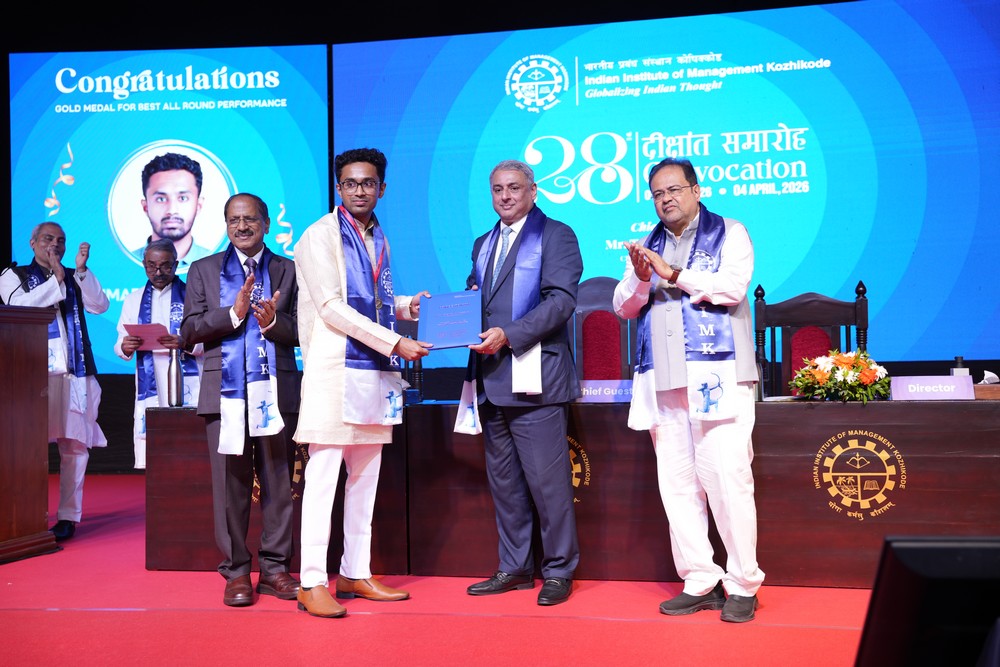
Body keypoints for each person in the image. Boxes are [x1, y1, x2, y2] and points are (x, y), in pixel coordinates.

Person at [612, 157, 764, 623]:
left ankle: (743, 583)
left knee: (727, 481)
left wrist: (674, 274)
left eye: (674, 190)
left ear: (696, 191)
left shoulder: (730, 232)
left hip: (719, 376)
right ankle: (700, 578)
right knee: (677, 486)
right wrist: (642, 277)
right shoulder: (647, 247)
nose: (666, 199)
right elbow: (623, 306)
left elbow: (733, 287)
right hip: (664, 381)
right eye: (657, 194)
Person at [293, 147, 431, 619]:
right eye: (350, 183)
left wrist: (408, 307)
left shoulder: (377, 236)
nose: (359, 191)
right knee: (322, 479)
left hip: (372, 373)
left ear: (382, 189)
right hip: (335, 372)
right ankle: (311, 581)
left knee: (365, 479)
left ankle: (355, 571)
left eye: (368, 183)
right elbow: (332, 307)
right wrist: (395, 341)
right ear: (338, 187)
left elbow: (373, 299)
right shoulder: (319, 235)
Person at [462, 159, 582, 606]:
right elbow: (476, 299)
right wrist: (445, 313)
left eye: (514, 187)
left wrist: (509, 334)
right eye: (498, 189)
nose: (506, 196)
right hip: (492, 380)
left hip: (536, 379)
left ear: (533, 191)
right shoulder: (483, 243)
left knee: (549, 487)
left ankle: (559, 570)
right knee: (506, 485)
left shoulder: (556, 235)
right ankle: (514, 567)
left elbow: (561, 302)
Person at [180, 192, 301, 607]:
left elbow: (304, 330)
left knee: (279, 484)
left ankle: (275, 569)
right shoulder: (203, 269)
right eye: (234, 220)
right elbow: (189, 330)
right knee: (229, 486)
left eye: (250, 219)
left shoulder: (288, 269)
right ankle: (236, 572)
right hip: (223, 395)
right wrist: (233, 313)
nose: (242, 226)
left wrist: (274, 322)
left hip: (276, 392)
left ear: (266, 223)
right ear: (226, 224)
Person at [0, 222, 109, 541]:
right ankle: (26, 515)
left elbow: (99, 305)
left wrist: (80, 271)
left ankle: (68, 517)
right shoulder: (13, 276)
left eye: (61, 240)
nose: (55, 245)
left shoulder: (74, 276)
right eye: (48, 239)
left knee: (75, 446)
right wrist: (56, 280)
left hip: (75, 373)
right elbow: (18, 306)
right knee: (27, 447)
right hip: (33, 376)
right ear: (32, 243)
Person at [114, 238, 203, 469]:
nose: (158, 272)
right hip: (151, 377)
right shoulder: (133, 300)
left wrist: (186, 343)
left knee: (190, 449)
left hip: (187, 377)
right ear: (144, 265)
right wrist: (125, 346)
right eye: (152, 266)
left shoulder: (194, 297)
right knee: (156, 452)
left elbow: (210, 339)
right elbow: (120, 342)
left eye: (165, 266)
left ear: (176, 264)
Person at [132, 152, 215, 270]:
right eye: (161, 199)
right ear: (145, 207)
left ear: (198, 205)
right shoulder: (124, 264)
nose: (172, 210)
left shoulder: (219, 266)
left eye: (183, 198)